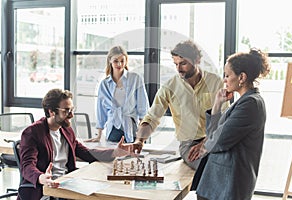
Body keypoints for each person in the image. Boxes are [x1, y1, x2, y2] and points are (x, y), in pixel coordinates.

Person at [17, 88, 133, 200]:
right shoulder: (32, 133)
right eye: (66, 111)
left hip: (67, 184)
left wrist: (115, 152)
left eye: (72, 109)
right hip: (45, 189)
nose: (71, 115)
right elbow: (27, 166)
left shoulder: (66, 130)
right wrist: (41, 177)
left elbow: (85, 152)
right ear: (51, 112)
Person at [133, 40, 226, 170]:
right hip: (189, 144)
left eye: (183, 64)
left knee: (230, 162)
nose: (178, 69)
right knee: (209, 166)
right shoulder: (169, 87)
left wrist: (207, 142)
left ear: (197, 60)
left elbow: (225, 117)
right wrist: (140, 140)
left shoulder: (215, 81)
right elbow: (152, 117)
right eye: (175, 64)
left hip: (214, 139)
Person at [192, 48, 270, 200]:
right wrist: (217, 105)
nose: (224, 80)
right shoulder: (244, 101)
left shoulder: (250, 104)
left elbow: (217, 141)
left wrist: (206, 144)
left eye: (227, 75)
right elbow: (212, 136)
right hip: (219, 184)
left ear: (241, 77)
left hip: (227, 186)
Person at [85, 46, 149, 143]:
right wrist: (99, 135)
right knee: (113, 155)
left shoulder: (135, 79)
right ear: (110, 60)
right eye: (115, 61)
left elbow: (142, 106)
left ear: (126, 61)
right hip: (113, 128)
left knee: (132, 156)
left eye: (122, 61)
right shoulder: (104, 84)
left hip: (131, 127)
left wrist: (142, 134)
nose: (119, 64)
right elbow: (101, 110)